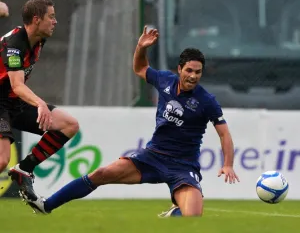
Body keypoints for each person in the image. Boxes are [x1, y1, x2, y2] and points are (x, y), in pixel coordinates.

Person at [21, 26, 239, 217]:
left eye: (198, 72)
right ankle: (46, 205)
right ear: (179, 69)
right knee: (101, 174)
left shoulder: (206, 101)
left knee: (192, 216)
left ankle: (175, 213)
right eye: (189, 70)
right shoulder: (165, 80)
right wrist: (141, 47)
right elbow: (140, 68)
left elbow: (224, 133)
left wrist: (228, 164)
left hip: (183, 166)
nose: (193, 76)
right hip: (152, 157)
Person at [0, 0, 79, 201]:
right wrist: (40, 103)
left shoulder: (39, 39)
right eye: (51, 17)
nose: (55, 21)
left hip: (14, 102)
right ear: (36, 19)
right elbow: (17, 85)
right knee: (1, 160)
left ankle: (23, 170)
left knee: (69, 125)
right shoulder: (15, 44)